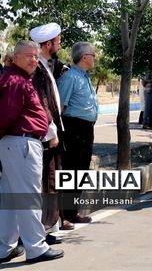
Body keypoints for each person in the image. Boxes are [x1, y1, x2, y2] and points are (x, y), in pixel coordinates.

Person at [0, 40, 64, 264]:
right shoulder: (16, 80)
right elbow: (5, 115)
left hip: (16, 144)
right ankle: (36, 248)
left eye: (36, 56)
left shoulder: (16, 78)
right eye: (28, 55)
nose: (33, 60)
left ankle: (4, 248)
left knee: (9, 198)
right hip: (22, 144)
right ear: (14, 56)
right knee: (28, 198)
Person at [29, 22, 73, 240]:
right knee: (46, 182)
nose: (60, 43)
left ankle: (48, 227)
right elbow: (41, 103)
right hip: (46, 137)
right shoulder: (38, 69)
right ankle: (42, 231)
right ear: (48, 44)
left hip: (52, 134)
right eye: (58, 40)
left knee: (52, 180)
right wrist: (50, 133)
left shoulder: (46, 65)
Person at [57, 42, 98, 224]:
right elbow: (60, 107)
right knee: (70, 169)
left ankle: (72, 212)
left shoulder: (84, 76)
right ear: (84, 57)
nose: (94, 57)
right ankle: (64, 214)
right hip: (73, 128)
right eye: (92, 54)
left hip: (86, 129)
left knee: (81, 170)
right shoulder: (71, 77)